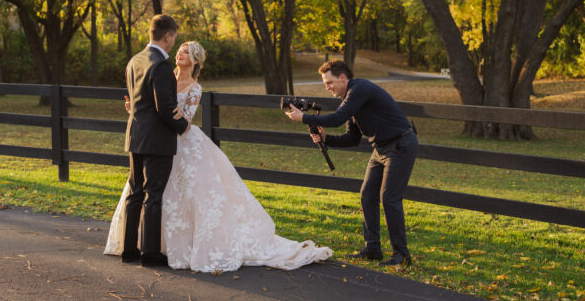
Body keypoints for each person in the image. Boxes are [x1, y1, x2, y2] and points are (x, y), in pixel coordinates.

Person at [106, 41, 332, 272]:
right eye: (180, 50)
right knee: (147, 192)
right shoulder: (162, 74)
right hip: (156, 141)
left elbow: (185, 119)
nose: (181, 54)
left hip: (182, 142)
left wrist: (165, 113)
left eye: (187, 52)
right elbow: (152, 106)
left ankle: (179, 245)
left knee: (186, 195)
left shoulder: (194, 87)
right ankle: (148, 244)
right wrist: (137, 107)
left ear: (195, 61)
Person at [284, 60, 417, 269]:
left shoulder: (360, 89)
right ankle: (372, 249)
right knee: (367, 195)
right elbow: (351, 138)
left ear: (343, 78)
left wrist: (304, 118)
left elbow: (337, 118)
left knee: (389, 198)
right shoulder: (350, 99)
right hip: (380, 149)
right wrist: (326, 139)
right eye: (325, 83)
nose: (327, 87)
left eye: (329, 82)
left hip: (400, 144)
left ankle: (402, 255)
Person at [118, 14, 189, 267]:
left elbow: (136, 99)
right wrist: (183, 125)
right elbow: (165, 107)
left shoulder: (135, 60)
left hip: (135, 136)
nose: (173, 42)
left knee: (135, 193)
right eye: (174, 37)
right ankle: (149, 253)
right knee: (153, 195)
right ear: (168, 35)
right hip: (157, 139)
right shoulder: (160, 65)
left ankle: (128, 250)